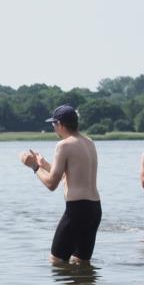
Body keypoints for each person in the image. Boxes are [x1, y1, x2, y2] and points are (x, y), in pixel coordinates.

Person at [20, 105, 102, 264]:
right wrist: (44, 164)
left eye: (53, 124)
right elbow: (69, 176)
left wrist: (34, 167)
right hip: (94, 209)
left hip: (77, 210)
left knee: (56, 262)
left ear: (60, 124)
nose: (53, 128)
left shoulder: (63, 145)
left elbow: (52, 184)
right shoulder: (89, 142)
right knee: (81, 263)